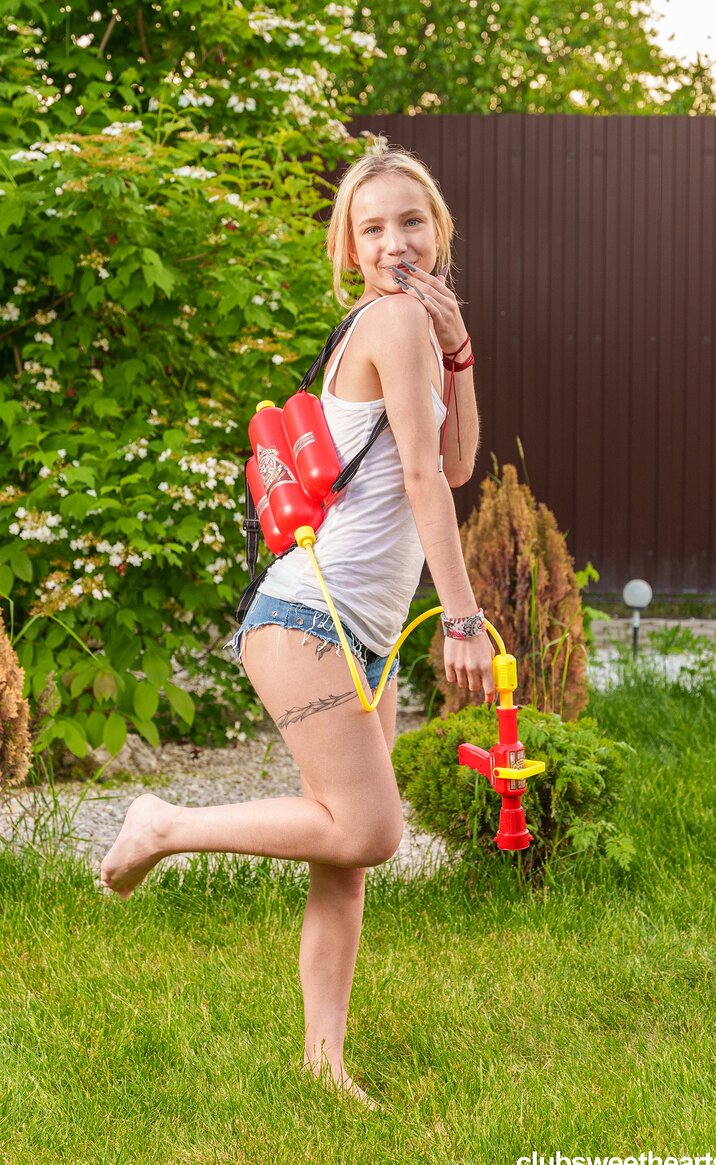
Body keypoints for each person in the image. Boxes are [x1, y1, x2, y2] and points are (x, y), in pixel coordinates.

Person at [100, 145, 496, 1110]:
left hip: (351, 629)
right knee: (369, 830)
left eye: (412, 222)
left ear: (439, 232)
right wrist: (463, 616)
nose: (396, 242)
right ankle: (165, 825)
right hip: (310, 618)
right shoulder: (389, 319)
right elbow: (419, 480)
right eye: (373, 228)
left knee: (341, 858)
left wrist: (462, 355)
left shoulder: (417, 326)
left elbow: (456, 464)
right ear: (348, 250)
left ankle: (324, 1065)